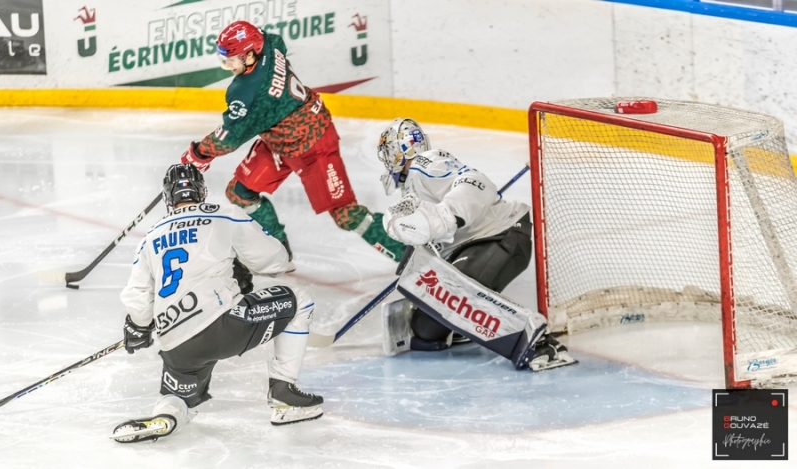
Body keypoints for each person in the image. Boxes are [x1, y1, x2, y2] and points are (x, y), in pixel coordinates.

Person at [112, 164, 323, 444]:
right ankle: (284, 394)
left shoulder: (150, 237)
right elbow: (275, 261)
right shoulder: (224, 214)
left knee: (176, 394)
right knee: (300, 300)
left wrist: (138, 326)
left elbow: (138, 296)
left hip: (176, 342)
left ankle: (168, 416)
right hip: (225, 325)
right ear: (201, 191)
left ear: (168, 197)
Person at [180, 20, 404, 268]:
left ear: (252, 54)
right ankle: (278, 250)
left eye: (233, 57)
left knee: (346, 215)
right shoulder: (270, 43)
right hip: (281, 141)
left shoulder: (247, 92)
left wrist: (198, 154)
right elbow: (277, 41)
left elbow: (229, 138)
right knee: (240, 193)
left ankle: (406, 251)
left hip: (314, 144)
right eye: (225, 57)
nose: (228, 64)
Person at [377, 118, 576, 371]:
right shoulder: (413, 187)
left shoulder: (424, 163)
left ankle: (540, 343)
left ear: (402, 149)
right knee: (425, 333)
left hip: (501, 236)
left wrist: (447, 214)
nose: (387, 159)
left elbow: (476, 182)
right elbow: (431, 233)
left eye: (390, 151)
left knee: (452, 297)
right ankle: (464, 325)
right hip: (474, 245)